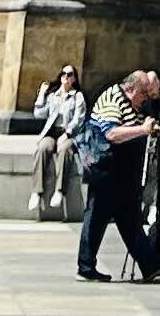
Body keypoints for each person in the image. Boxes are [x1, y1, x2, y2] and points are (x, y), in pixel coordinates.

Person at [77, 81, 146, 287]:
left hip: (117, 173)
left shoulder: (129, 104)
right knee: (96, 216)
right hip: (104, 171)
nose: (145, 98)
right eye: (143, 93)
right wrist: (143, 129)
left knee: (124, 217)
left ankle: (151, 263)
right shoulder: (113, 100)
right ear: (131, 89)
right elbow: (111, 134)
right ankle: (85, 266)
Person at [36, 68, 89, 221]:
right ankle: (37, 191)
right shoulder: (54, 96)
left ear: (74, 79)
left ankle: (59, 190)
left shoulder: (77, 96)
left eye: (69, 74)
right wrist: (41, 94)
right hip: (52, 133)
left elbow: (79, 119)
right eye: (63, 74)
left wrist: (67, 134)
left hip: (69, 134)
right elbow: (38, 114)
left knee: (65, 150)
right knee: (42, 148)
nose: (66, 76)